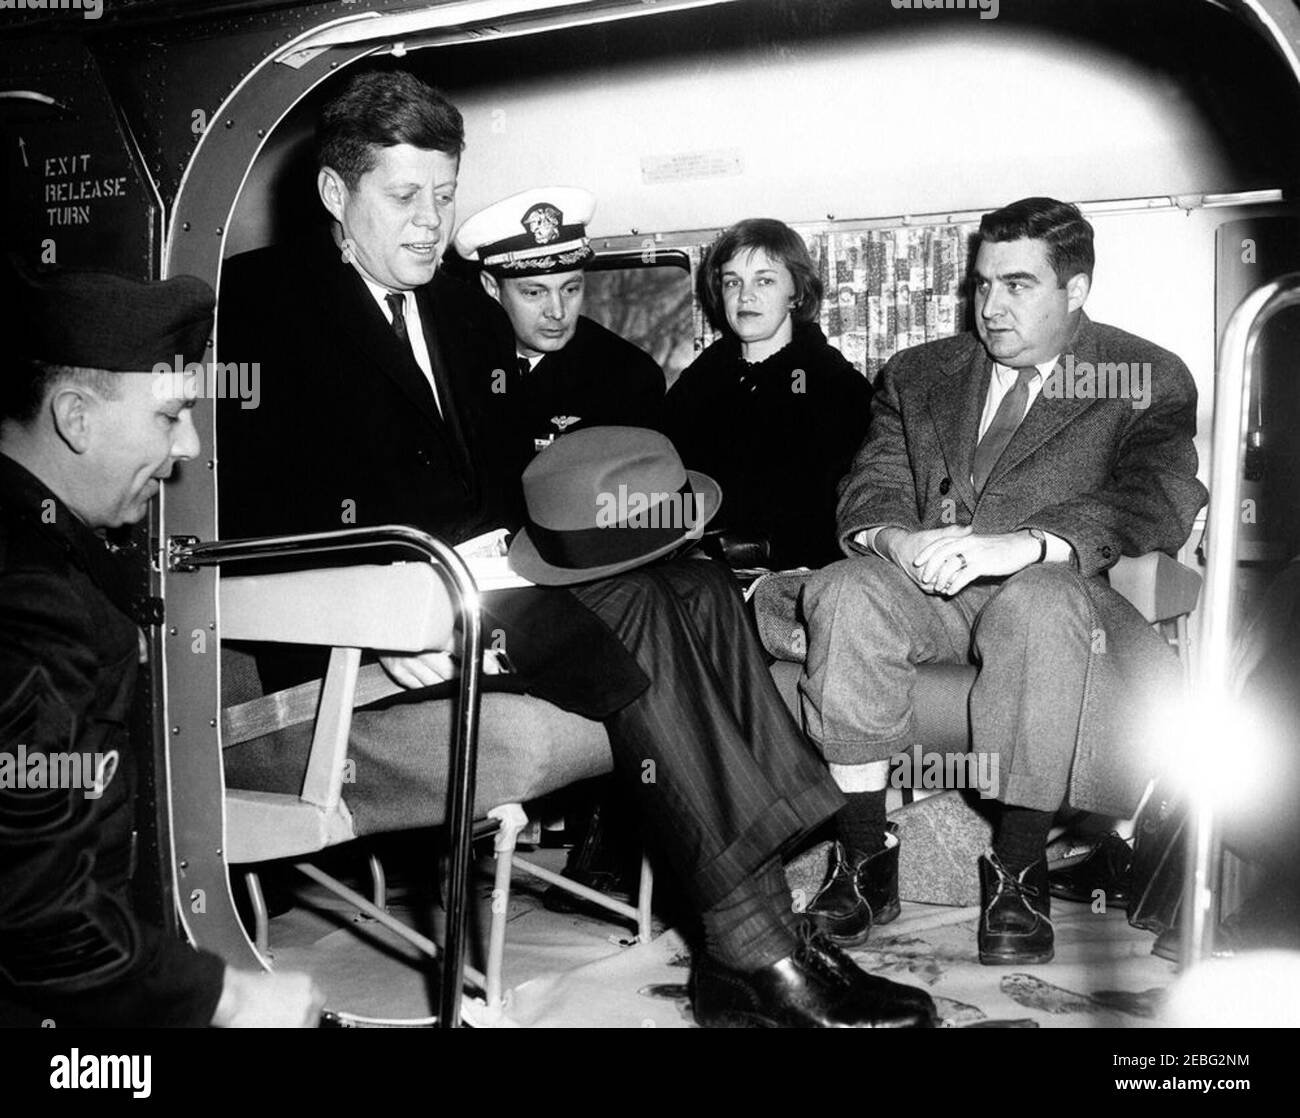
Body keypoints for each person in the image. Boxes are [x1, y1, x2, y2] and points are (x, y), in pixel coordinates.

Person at [216, 68, 936, 1028]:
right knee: (644, 611)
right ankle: (753, 949)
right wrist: (409, 596)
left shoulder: (462, 310)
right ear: (334, 194)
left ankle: (760, 934)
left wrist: (520, 551)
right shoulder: (256, 307)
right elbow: (246, 515)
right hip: (361, 627)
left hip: (483, 587)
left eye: (444, 195)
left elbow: (503, 485)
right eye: (403, 198)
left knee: (694, 583)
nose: (431, 222)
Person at [796, 198, 1208, 963]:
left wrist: (1030, 543)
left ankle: (1016, 872)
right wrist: (897, 537)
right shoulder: (920, 373)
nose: (991, 307)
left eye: (1018, 286)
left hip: (1069, 598)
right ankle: (863, 857)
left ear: (1076, 289)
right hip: (938, 597)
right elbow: (871, 487)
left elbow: (1160, 494)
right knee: (842, 589)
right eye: (983, 285)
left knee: (1039, 601)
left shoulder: (1142, 374)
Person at [0, 261, 324, 1027]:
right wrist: (225, 996)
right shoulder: (32, 600)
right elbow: (41, 917)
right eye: (168, 416)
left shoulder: (51, 552)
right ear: (76, 418)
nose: (188, 446)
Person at [665, 218, 873, 570]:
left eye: (764, 280)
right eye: (733, 282)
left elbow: (834, 516)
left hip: (793, 572)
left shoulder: (834, 386)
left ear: (797, 293)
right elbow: (668, 483)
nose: (745, 296)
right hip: (694, 562)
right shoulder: (701, 379)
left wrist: (729, 549)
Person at [455, 186, 664, 454]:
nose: (557, 311)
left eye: (570, 289)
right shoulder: (461, 362)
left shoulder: (626, 376)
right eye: (534, 292)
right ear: (492, 288)